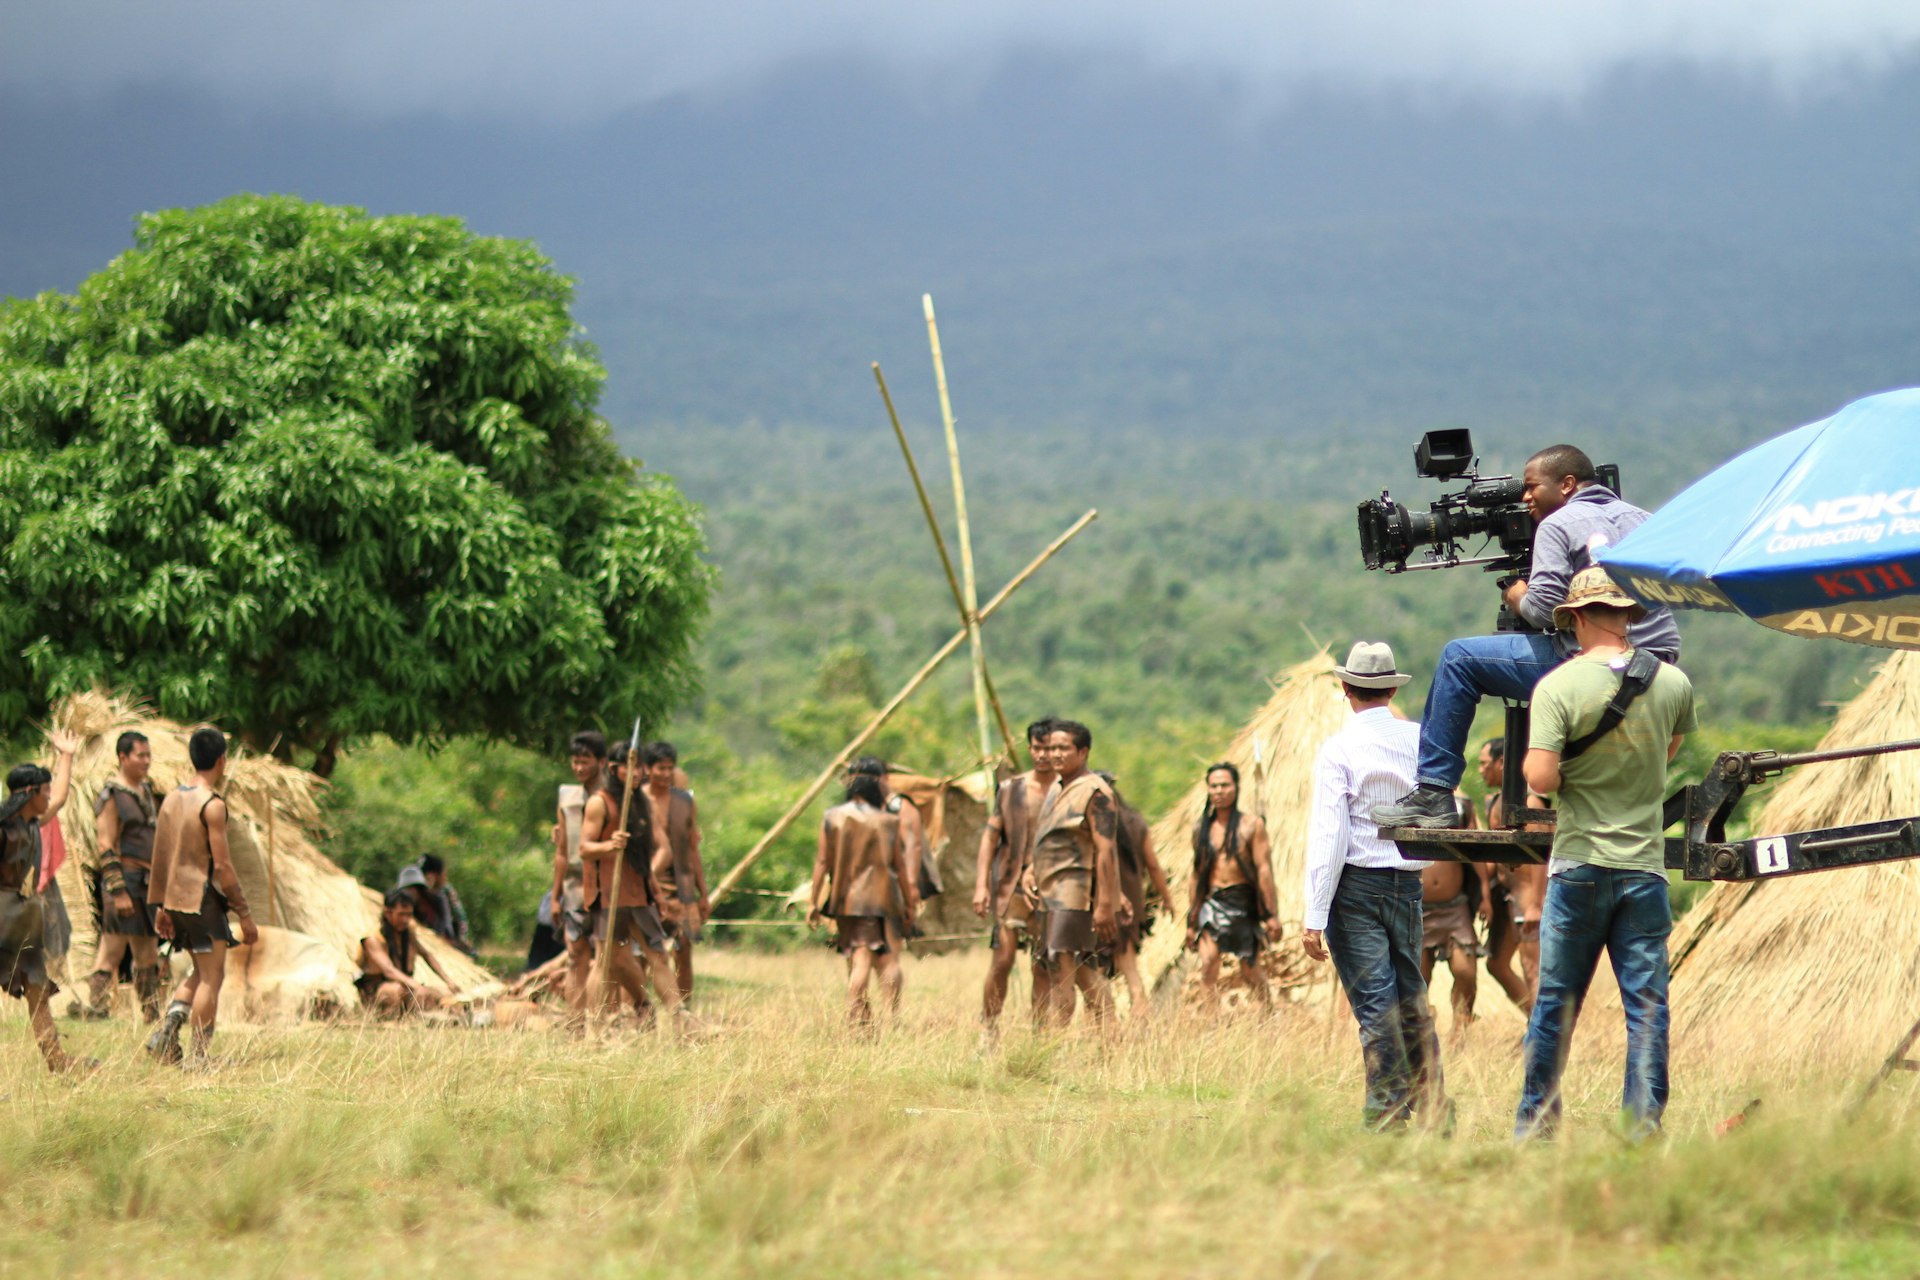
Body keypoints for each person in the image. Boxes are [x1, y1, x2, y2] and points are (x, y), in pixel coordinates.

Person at [1371, 445, 1681, 829]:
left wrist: (1517, 595)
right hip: (1657, 663)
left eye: (1532, 486)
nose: (1525, 496)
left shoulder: (1558, 523)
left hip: (1592, 665)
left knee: (1458, 659)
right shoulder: (1644, 519)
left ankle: (1434, 792)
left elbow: (1543, 609)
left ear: (1567, 484)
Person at [1513, 567, 1696, 1141]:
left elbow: (1540, 778)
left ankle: (1538, 1131)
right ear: (1627, 615)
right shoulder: (1671, 683)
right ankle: (1641, 1130)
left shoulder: (1559, 687)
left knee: (1556, 1008)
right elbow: (1666, 755)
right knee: (1646, 1011)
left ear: (1576, 616)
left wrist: (1551, 768)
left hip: (1581, 866)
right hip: (1644, 868)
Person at [1301, 642, 1444, 1131]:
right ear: (1390, 688)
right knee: (1411, 999)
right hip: (1408, 882)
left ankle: (1386, 1115)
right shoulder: (1420, 739)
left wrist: (1314, 916)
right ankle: (1431, 1108)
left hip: (1356, 886)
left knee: (1375, 1006)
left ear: (1346, 689)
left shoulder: (1338, 749)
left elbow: (1330, 834)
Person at [146, 727, 259, 1068]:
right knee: (213, 978)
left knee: (199, 971)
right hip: (201, 900)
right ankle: (199, 1057)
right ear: (222, 760)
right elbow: (223, 866)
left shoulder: (171, 799)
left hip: (175, 900)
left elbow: (162, 855)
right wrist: (245, 914)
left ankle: (166, 1032)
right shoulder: (212, 805)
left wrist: (161, 906)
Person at [0, 732, 90, 1073]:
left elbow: (63, 796)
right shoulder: (4, 828)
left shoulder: (33, 825)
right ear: (27, 794)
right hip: (2, 915)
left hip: (21, 919)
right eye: (44, 790)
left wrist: (66, 755)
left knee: (37, 990)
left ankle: (58, 1062)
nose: (49, 794)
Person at [1025, 720, 1121, 1028]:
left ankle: (1053, 1048)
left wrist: (1106, 904)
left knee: (1062, 969)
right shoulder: (1057, 787)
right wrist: (1030, 870)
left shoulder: (1095, 791)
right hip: (1049, 894)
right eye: (1051, 747)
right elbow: (1048, 837)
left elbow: (1106, 850)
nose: (1054, 754)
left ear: (1082, 752)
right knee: (1080, 970)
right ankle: (1111, 1037)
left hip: (1073, 894)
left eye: (1063, 748)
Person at [808, 766, 917, 1027]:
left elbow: (822, 862)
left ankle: (855, 1018)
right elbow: (899, 867)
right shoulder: (889, 821)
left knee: (859, 960)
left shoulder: (832, 817)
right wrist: (910, 901)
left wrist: (813, 902)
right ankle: (892, 1017)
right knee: (889, 960)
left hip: (847, 901)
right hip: (885, 898)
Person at [578, 741, 679, 1025]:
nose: (637, 773)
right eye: (630, 767)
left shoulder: (640, 802)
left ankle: (681, 1020)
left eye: (640, 767)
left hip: (639, 893)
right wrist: (609, 845)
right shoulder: (600, 802)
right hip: (609, 894)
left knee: (658, 956)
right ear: (614, 769)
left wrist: (656, 893)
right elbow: (584, 848)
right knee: (606, 960)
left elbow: (647, 856)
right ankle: (594, 1031)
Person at [971, 719, 1056, 1037]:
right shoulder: (1011, 789)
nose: (1043, 755)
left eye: (1049, 748)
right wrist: (981, 885)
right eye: (1037, 748)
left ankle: (1040, 1036)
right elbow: (990, 839)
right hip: (1010, 885)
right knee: (1003, 959)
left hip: (1051, 886)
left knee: (1042, 964)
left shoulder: (1067, 789)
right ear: (1030, 748)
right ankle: (989, 1028)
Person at [82, 731, 166, 1022]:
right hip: (125, 880)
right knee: (113, 948)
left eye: (148, 755)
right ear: (122, 757)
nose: (146, 761)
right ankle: (97, 1008)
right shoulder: (112, 794)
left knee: (148, 952)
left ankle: (151, 1013)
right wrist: (118, 891)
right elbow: (105, 844)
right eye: (140, 755)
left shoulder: (146, 791)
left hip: (146, 881)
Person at [1186, 763, 1281, 1013]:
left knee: (1249, 969)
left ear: (1236, 788)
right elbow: (1196, 874)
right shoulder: (1201, 830)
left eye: (1225, 785)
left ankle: (1269, 1015)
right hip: (1212, 901)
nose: (1219, 791)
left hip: (1243, 902)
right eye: (1214, 786)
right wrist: (1191, 918)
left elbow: (1264, 870)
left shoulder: (1252, 825)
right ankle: (1211, 1024)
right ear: (1208, 790)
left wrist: (1271, 914)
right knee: (1207, 964)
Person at [1478, 738, 1541, 1013]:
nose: (1480, 770)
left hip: (1527, 897)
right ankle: (1534, 1024)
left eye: (1484, 764)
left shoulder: (1530, 801)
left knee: (1532, 968)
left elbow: (1542, 855)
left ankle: (1543, 1039)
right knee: (1497, 964)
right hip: (1505, 895)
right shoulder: (1494, 802)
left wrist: (1536, 904)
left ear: (1502, 762)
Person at [1106, 773, 1175, 1019]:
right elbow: (1153, 866)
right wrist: (1166, 898)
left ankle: (1106, 1028)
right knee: (1130, 968)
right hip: (1132, 904)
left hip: (1102, 905)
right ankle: (1139, 1021)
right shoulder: (1135, 821)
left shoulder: (1095, 824)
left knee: (1096, 973)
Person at [644, 741, 707, 1004]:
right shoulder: (636, 800)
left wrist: (703, 894)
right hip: (645, 883)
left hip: (682, 885)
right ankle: (636, 1011)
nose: (665, 774)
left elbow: (692, 850)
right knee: (639, 951)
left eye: (670, 768)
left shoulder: (684, 802)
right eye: (660, 768)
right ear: (647, 769)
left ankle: (685, 1012)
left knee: (684, 948)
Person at [551, 730, 608, 1013]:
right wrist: (554, 895)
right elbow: (562, 852)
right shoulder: (567, 798)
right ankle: (575, 1022)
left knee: (606, 956)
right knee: (575, 956)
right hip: (574, 887)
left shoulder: (614, 797)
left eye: (585, 761)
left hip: (607, 885)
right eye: (575, 762)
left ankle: (601, 1020)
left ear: (602, 761)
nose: (579, 768)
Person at [356, 889, 459, 1016]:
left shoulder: (408, 933)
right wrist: (417, 986)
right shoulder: (373, 938)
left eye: (409, 915)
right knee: (396, 991)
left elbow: (427, 955)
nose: (405, 920)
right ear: (388, 913)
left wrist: (448, 981)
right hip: (378, 991)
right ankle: (389, 1018)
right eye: (401, 914)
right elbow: (389, 970)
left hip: (406, 986)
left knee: (443, 994)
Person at [1418, 854, 1480, 1035]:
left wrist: (1483, 891)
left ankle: (1460, 1027)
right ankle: (1421, 1030)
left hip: (1455, 906)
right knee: (1418, 975)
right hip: (1417, 905)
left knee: (1465, 971)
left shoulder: (1464, 822)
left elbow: (1474, 847)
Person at [411, 854, 473, 956]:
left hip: (446, 940)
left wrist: (461, 940)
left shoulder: (446, 891)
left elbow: (460, 919)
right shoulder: (415, 890)